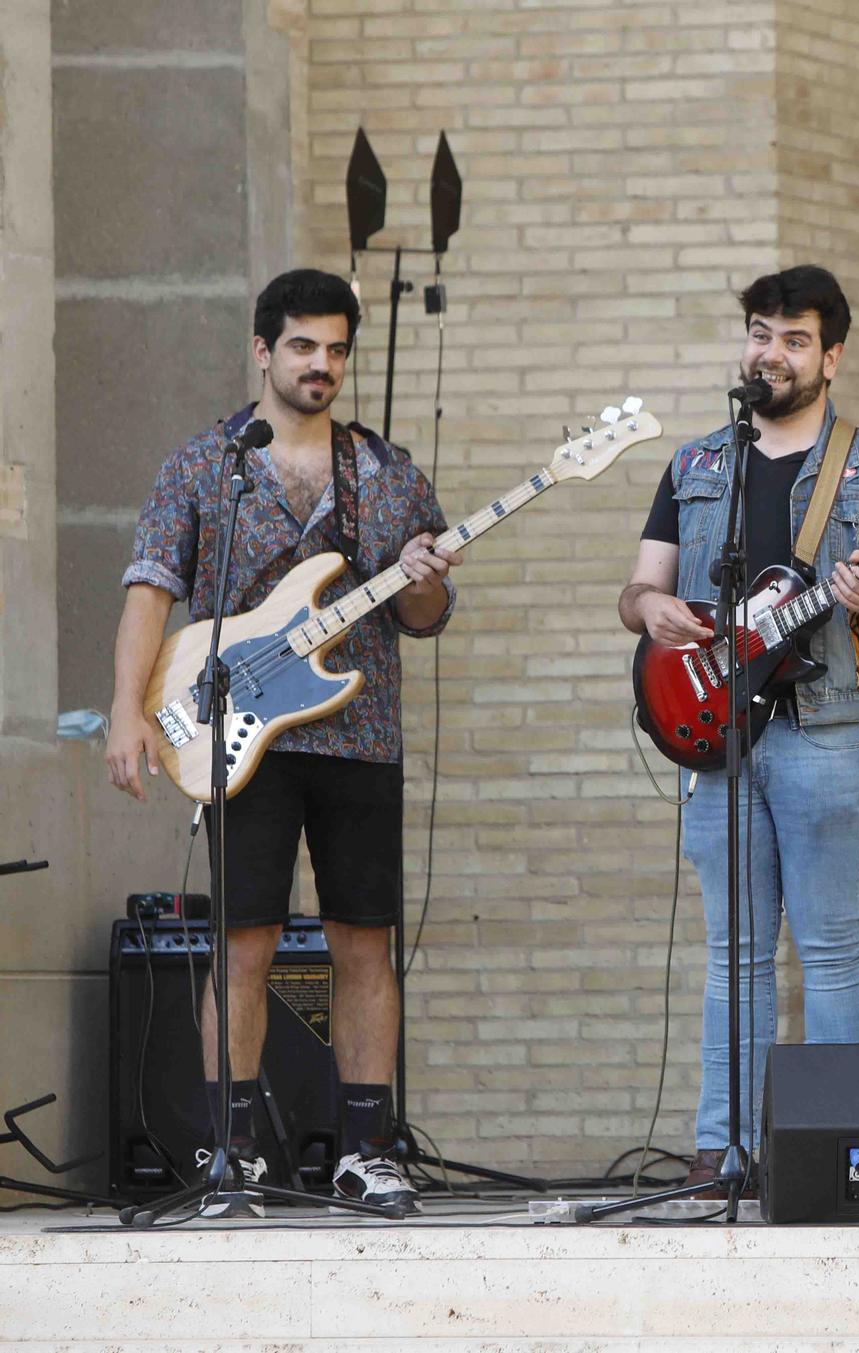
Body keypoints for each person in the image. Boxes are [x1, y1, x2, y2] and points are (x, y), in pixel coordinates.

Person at [107, 268, 461, 1212]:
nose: (323, 365)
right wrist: (126, 708)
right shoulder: (204, 463)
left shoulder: (386, 471)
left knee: (364, 944)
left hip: (362, 736)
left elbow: (425, 612)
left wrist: (422, 575)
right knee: (244, 943)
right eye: (303, 346)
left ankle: (367, 1149)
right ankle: (234, 1154)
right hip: (240, 736)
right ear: (263, 350)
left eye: (337, 349)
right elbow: (151, 586)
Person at [620, 265, 859, 1194]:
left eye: (795, 338)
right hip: (718, 729)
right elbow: (636, 587)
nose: (773, 351)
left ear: (831, 356)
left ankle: (854, 1147)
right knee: (735, 947)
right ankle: (726, 1149)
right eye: (761, 332)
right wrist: (655, 614)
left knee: (831, 939)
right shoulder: (696, 462)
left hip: (828, 727)